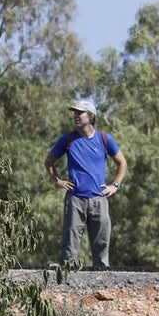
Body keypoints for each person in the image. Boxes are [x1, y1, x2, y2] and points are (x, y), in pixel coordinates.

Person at [44, 101, 128, 270]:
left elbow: (122, 163)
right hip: (75, 199)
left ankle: (101, 272)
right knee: (71, 238)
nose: (76, 116)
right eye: (74, 113)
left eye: (79, 113)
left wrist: (115, 185)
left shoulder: (104, 139)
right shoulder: (68, 139)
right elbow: (49, 162)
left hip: (99, 198)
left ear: (91, 117)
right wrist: (58, 180)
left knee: (102, 239)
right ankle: (67, 273)